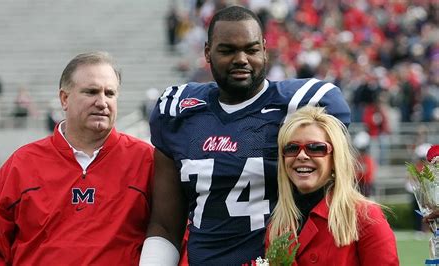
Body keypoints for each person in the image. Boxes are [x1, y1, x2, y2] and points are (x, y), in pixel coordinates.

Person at [140, 6, 350, 265]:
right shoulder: (178, 110)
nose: (241, 59)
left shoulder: (299, 104)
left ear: (264, 49)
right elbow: (165, 223)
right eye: (227, 50)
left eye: (251, 49)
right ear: (207, 52)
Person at [0, 51, 154, 265]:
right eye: (91, 92)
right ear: (64, 98)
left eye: (110, 93)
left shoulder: (147, 161)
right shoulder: (23, 163)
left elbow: (179, 235)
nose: (102, 102)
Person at [267, 106, 398, 265]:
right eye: (292, 148)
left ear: (335, 159)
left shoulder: (365, 217)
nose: (301, 155)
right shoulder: (278, 225)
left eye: (316, 148)